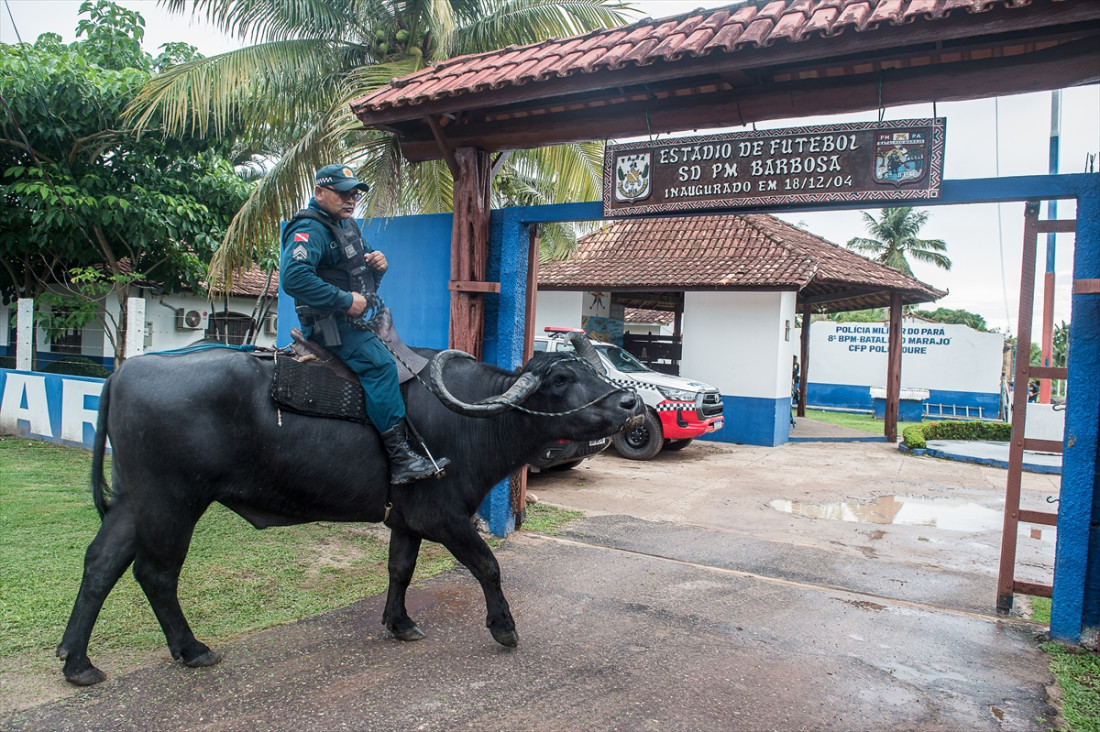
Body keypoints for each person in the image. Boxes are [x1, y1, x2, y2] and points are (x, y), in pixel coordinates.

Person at [280, 164, 449, 485]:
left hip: (355, 320)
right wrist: (346, 301)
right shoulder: (310, 229)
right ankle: (400, 459)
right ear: (319, 192)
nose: (351, 199)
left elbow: (362, 272)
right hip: (331, 326)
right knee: (382, 367)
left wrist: (380, 266)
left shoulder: (346, 226)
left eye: (355, 193)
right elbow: (294, 278)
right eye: (343, 192)